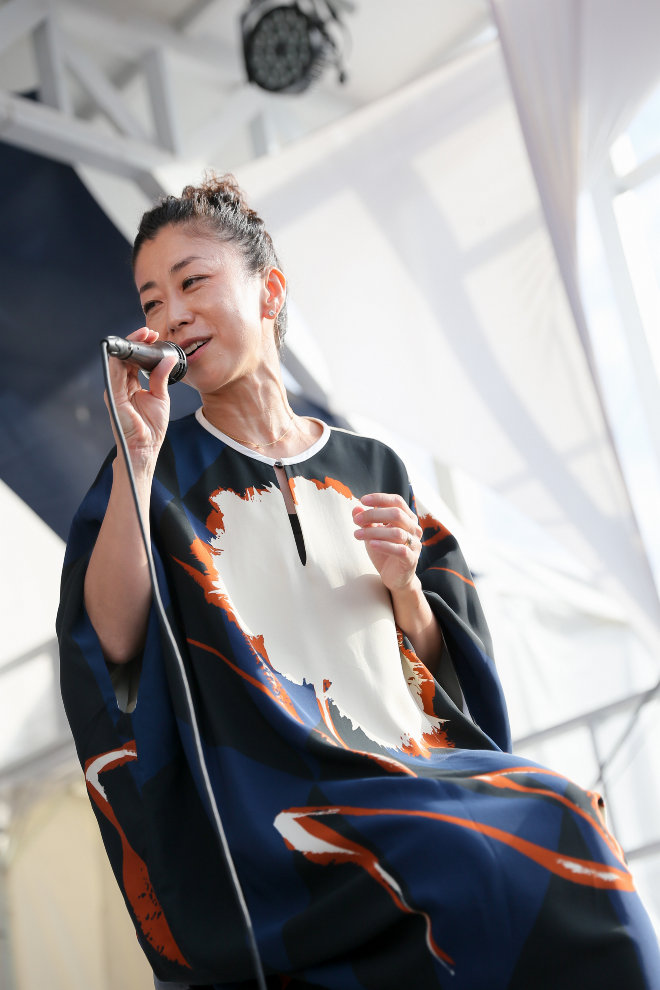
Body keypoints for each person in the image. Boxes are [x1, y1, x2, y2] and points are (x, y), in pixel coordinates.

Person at [57, 174, 660, 990]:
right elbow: (111, 637)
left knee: (568, 822)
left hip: (410, 770)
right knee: (496, 846)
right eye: (152, 301)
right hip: (273, 807)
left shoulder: (372, 466)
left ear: (269, 291)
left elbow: (444, 668)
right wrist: (137, 454)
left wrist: (406, 585)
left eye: (193, 282)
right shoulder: (153, 468)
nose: (171, 316)